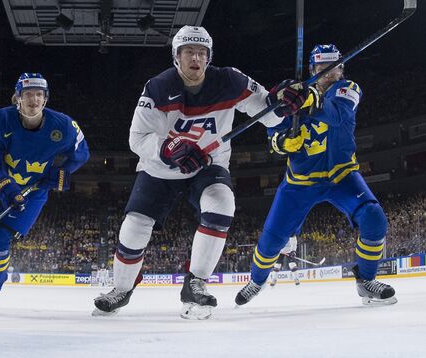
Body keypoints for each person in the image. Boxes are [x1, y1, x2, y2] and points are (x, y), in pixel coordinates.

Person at [93, 25, 308, 319]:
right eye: (188, 52)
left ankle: (196, 284)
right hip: (160, 169)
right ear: (176, 57)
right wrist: (169, 149)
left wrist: (284, 102)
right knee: (135, 225)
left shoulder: (231, 80)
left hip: (209, 164)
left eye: (201, 52)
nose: (195, 57)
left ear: (209, 57)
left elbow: (268, 116)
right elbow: (137, 139)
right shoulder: (157, 87)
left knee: (222, 204)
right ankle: (121, 289)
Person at [235, 44, 397, 308]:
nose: (329, 73)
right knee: (271, 241)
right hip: (300, 183)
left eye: (334, 67)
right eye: (322, 68)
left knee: (374, 218)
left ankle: (366, 281)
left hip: (341, 175)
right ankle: (256, 280)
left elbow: (338, 114)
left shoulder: (348, 89)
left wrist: (309, 100)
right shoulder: (291, 96)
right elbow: (273, 137)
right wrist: (284, 142)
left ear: (342, 69)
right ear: (313, 69)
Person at [0, 73, 90, 307]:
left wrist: (61, 174)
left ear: (45, 100)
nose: (34, 100)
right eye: (28, 94)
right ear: (17, 98)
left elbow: (82, 153)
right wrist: (6, 187)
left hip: (32, 190)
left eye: (39, 95)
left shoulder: (63, 125)